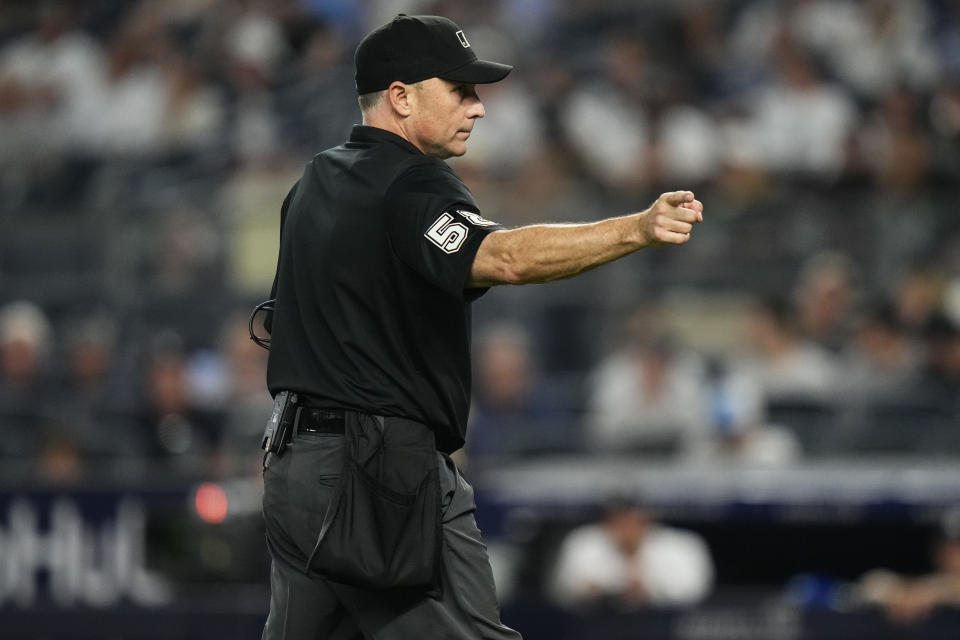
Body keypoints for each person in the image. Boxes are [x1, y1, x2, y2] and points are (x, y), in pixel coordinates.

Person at [258, 14, 704, 640]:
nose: (478, 108)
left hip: (294, 465)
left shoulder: (313, 181)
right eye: (461, 90)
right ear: (401, 96)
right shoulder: (412, 182)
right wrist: (636, 227)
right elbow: (505, 258)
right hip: (376, 474)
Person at [549, 498, 714, 609]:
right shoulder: (584, 541)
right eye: (618, 519)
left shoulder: (681, 545)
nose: (625, 526)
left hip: (665, 624)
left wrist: (650, 590)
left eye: (631, 519)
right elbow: (559, 590)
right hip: (595, 624)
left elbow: (695, 591)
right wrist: (587, 591)